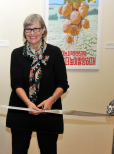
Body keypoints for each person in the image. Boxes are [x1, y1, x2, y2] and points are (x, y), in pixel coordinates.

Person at [6, 14, 69, 154]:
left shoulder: (55, 52)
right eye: (28, 29)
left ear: (43, 30)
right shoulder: (16, 54)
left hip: (48, 112)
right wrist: (28, 103)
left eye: (36, 29)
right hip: (22, 110)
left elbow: (63, 84)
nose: (32, 33)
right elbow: (16, 84)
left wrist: (52, 99)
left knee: (49, 150)